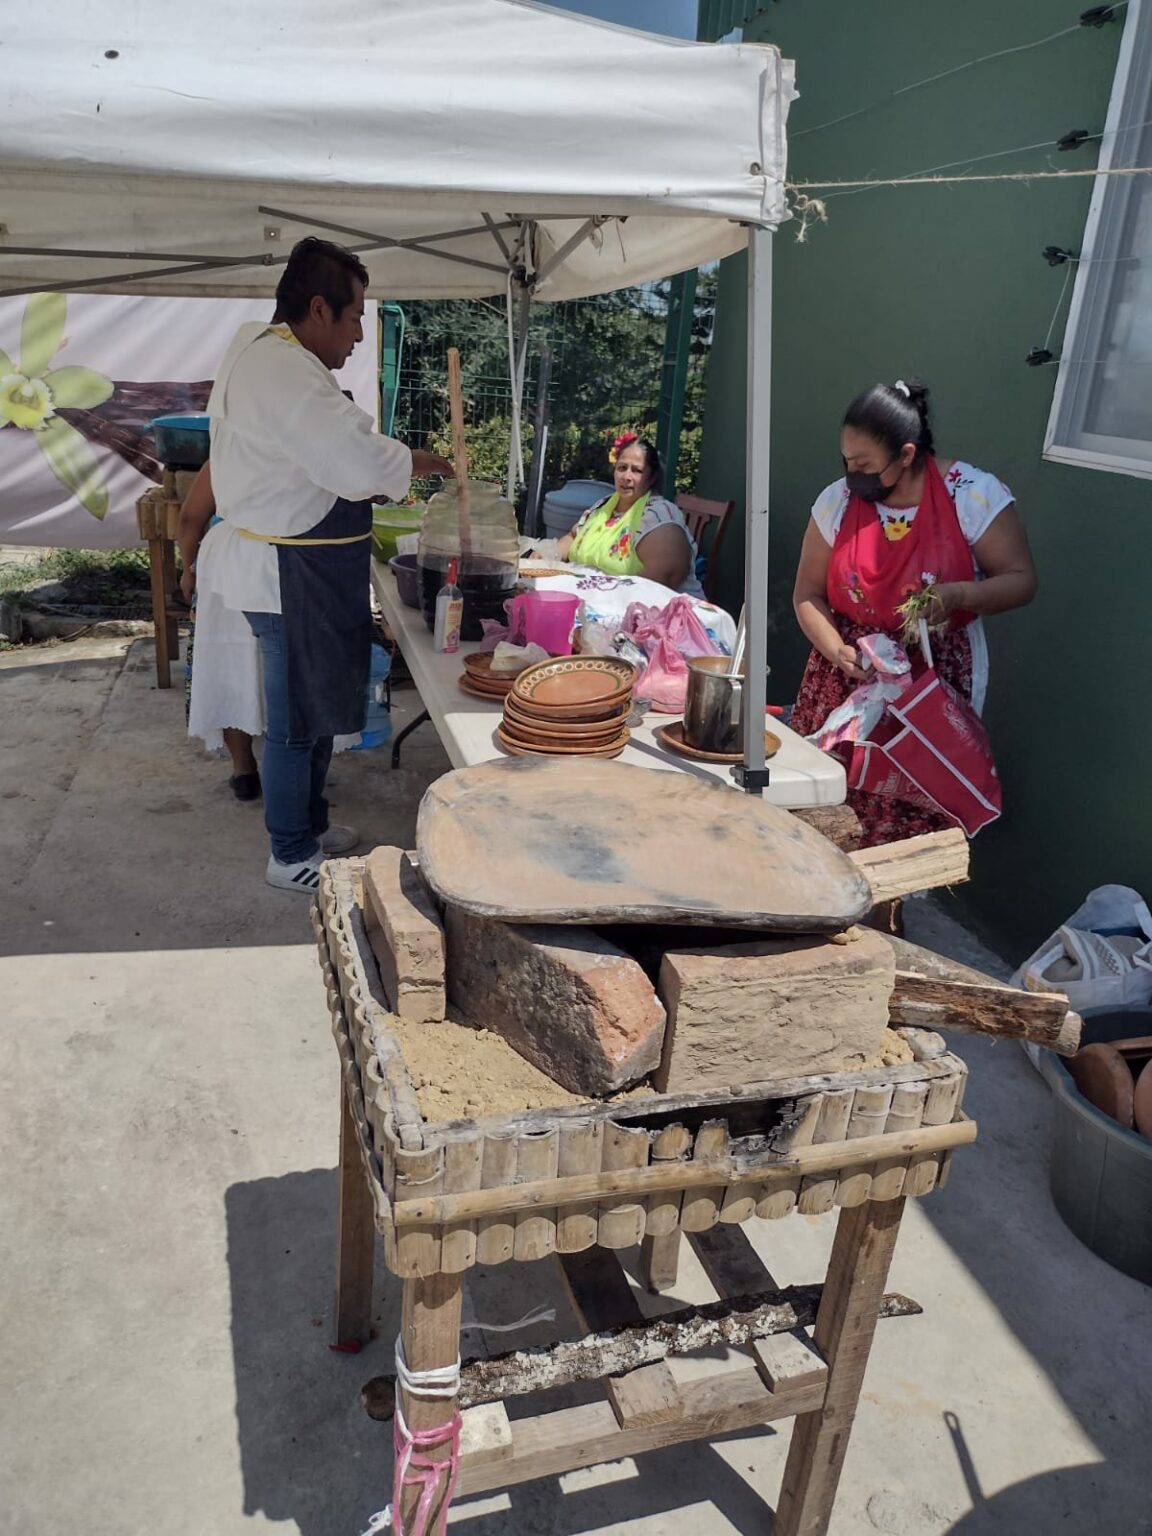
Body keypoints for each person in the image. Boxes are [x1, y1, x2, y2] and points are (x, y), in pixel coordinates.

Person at [194, 237, 451, 892]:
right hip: (285, 574)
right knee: (292, 726)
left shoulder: (271, 354)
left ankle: (308, 827)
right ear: (317, 309)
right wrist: (423, 462)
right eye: (355, 316)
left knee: (309, 717)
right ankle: (288, 852)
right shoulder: (280, 369)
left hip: (298, 566)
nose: (359, 334)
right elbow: (353, 460)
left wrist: (398, 463)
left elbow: (331, 448)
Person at [791, 379, 1037, 847]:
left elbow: (1021, 579)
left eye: (865, 465)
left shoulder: (970, 495)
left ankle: (895, 889)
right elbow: (807, 593)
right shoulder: (838, 502)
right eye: (847, 462)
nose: (852, 476)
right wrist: (836, 650)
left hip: (932, 680)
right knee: (823, 800)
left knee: (911, 806)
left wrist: (958, 595)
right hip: (845, 672)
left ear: (906, 454)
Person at [177, 463, 262, 801]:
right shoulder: (302, 446)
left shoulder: (227, 452)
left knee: (228, 665)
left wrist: (188, 569)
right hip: (287, 559)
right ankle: (294, 767)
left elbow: (189, 518)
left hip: (225, 563)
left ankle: (244, 770)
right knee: (280, 666)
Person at [557, 434, 704, 596]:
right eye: (622, 468)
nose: (626, 477)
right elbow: (573, 536)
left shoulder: (659, 519)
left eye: (637, 470)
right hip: (596, 597)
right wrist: (548, 554)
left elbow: (658, 584)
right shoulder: (604, 506)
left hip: (646, 605)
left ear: (652, 477)